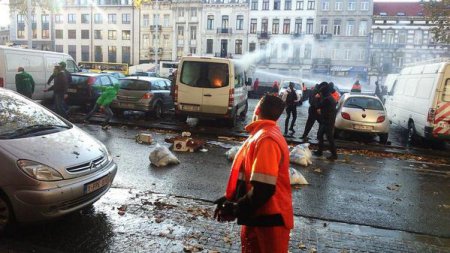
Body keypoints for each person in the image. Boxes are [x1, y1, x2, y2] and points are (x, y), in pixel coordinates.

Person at [214, 94, 293, 252]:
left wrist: (236, 208)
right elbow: (252, 178)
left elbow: (263, 189)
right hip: (261, 217)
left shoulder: (266, 139)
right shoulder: (264, 135)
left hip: (269, 220)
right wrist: (230, 198)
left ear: (257, 108)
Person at [314, 82, 338, 160]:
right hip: (327, 120)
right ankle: (320, 151)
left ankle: (334, 155)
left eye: (321, 92)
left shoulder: (327, 99)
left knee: (329, 138)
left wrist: (317, 98)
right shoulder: (330, 97)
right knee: (320, 135)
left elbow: (318, 105)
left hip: (328, 121)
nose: (320, 93)